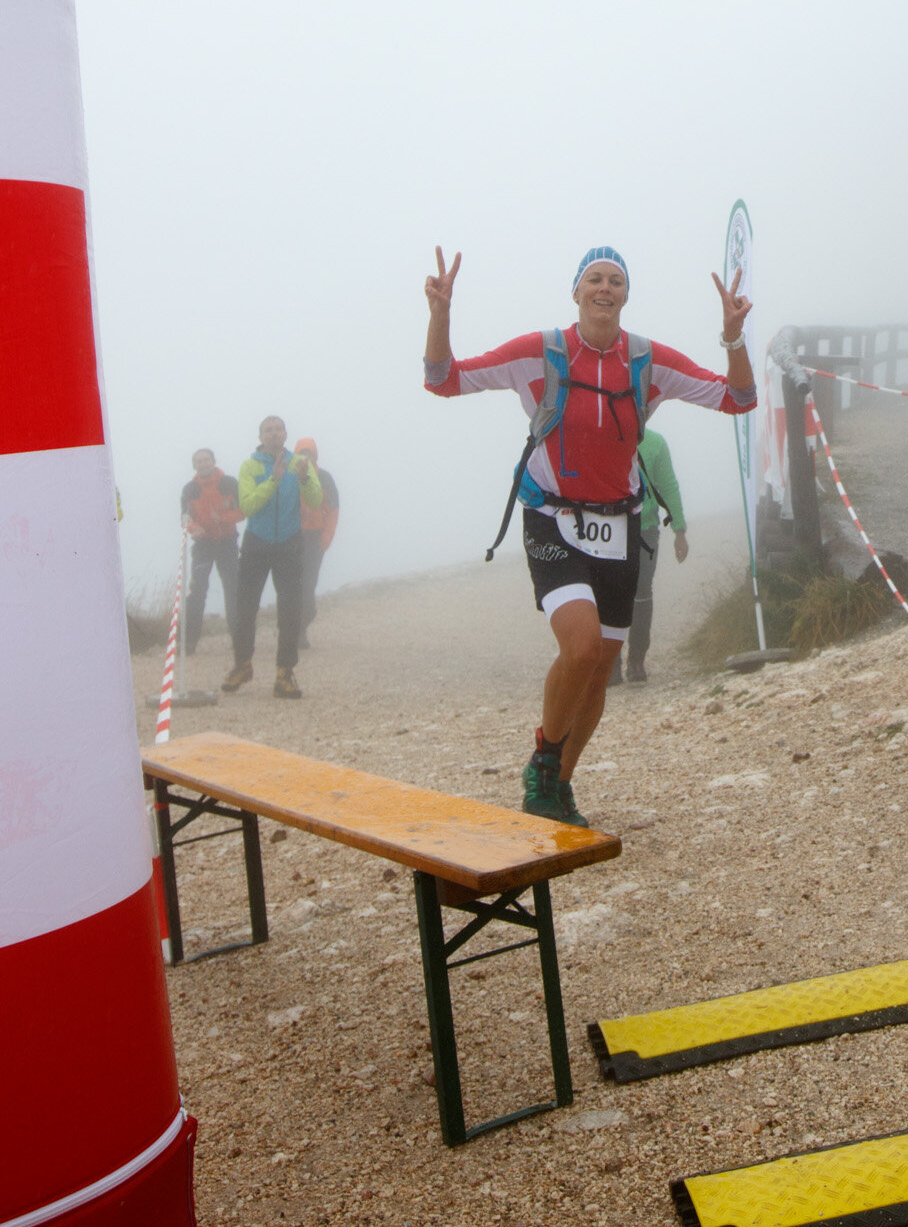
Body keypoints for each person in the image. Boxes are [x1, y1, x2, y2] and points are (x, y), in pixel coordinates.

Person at [423, 243, 754, 824]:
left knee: (600, 669)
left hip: (620, 524)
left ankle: (560, 785)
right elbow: (443, 379)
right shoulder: (541, 353)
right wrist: (441, 313)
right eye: (595, 279)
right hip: (551, 515)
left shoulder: (649, 360)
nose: (605, 289)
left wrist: (732, 338)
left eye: (616, 281)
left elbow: (739, 398)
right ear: (575, 291)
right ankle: (543, 764)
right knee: (577, 647)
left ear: (626, 295)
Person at [224, 415, 321, 699]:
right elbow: (249, 506)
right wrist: (273, 480)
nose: (274, 434)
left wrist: (303, 478)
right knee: (245, 608)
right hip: (257, 542)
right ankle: (242, 665)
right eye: (269, 430)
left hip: (290, 542)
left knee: (290, 610)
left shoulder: (299, 463)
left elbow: (315, 501)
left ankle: (285, 673)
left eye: (278, 429)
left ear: (286, 434)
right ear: (261, 435)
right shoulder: (250, 465)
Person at [609, 424, 687, 686]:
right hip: (609, 530)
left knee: (642, 594)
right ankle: (611, 664)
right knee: (611, 597)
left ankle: (636, 660)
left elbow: (668, 485)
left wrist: (679, 529)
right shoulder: (604, 438)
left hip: (646, 529)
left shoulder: (655, 443)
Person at [180, 448, 242, 653]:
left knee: (233, 589)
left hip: (227, 541)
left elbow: (243, 510)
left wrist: (223, 518)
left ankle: (239, 639)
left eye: (207, 460)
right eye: (199, 461)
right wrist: (193, 528)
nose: (203, 463)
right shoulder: (189, 489)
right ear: (194, 465)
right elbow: (185, 518)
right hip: (203, 544)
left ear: (214, 461)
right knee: (197, 591)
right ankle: (188, 643)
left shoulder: (230, 483)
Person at [294, 438, 341, 642]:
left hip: (315, 537)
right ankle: (296, 631)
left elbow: (333, 510)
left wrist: (327, 536)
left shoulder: (324, 478)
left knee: (309, 582)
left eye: (309, 452)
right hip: (292, 537)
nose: (306, 456)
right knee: (292, 585)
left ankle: (304, 621)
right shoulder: (289, 476)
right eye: (302, 452)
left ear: (315, 455)